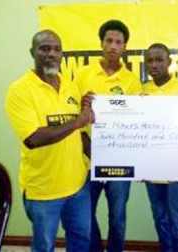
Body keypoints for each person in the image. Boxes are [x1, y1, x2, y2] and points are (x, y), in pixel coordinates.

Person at [5, 30, 94, 251]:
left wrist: (105, 161)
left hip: (78, 186)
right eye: (44, 48)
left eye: (56, 49)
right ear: (32, 52)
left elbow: (80, 133)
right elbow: (33, 138)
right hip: (43, 191)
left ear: (62, 54)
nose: (51, 54)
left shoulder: (70, 86)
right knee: (44, 246)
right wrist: (77, 122)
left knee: (81, 240)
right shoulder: (20, 90)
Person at [74, 20, 141, 252]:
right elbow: (75, 117)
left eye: (118, 42)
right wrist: (92, 154)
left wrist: (110, 157)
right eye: (109, 41)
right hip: (87, 157)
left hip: (119, 160)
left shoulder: (131, 81)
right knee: (85, 213)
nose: (113, 46)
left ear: (124, 47)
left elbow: (132, 122)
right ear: (101, 43)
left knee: (118, 215)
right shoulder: (82, 75)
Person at [142, 43, 178, 252]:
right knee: (160, 218)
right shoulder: (141, 91)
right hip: (151, 168)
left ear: (169, 63)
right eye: (150, 61)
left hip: (177, 169)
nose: (154, 65)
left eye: (159, 60)